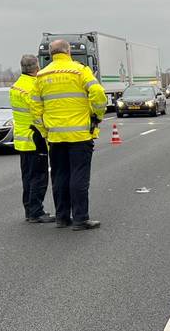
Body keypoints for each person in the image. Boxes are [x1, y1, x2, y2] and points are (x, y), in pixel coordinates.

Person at [30, 39, 106, 230]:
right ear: (68, 51)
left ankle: (62, 218)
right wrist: (97, 115)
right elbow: (98, 92)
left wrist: (45, 131)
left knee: (59, 177)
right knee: (79, 176)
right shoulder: (80, 70)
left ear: (51, 54)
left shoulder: (41, 75)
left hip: (55, 137)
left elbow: (35, 108)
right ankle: (80, 219)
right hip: (80, 135)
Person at [10, 55, 53, 223]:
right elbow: (38, 111)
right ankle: (36, 212)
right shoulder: (34, 86)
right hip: (35, 138)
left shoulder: (16, 86)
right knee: (39, 177)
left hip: (22, 139)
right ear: (37, 68)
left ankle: (29, 210)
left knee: (27, 177)